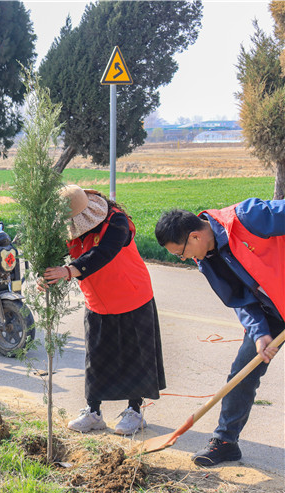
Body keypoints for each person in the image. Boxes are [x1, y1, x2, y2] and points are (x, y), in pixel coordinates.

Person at [155, 199, 284, 466]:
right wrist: (260, 332)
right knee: (243, 373)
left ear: (195, 236)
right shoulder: (208, 261)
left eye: (180, 253)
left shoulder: (247, 218)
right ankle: (225, 442)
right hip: (271, 311)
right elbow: (240, 299)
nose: (184, 259)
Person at [43, 185, 166, 435]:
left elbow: (104, 253)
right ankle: (93, 412)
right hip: (97, 301)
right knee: (96, 358)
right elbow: (55, 257)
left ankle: (134, 411)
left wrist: (68, 271)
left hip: (132, 297)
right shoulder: (70, 230)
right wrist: (46, 276)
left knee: (135, 355)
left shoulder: (117, 221)